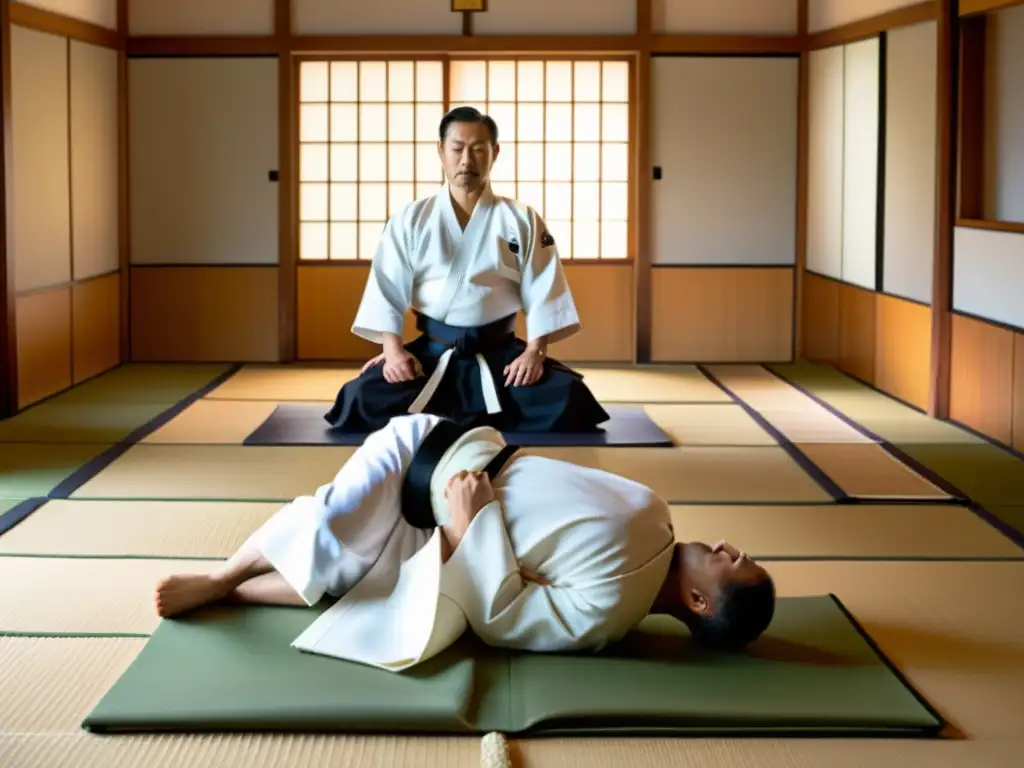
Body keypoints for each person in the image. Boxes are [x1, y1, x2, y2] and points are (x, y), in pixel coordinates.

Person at [154, 414, 776, 671]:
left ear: (699, 602)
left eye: (733, 562)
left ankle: (231, 593)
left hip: (449, 529)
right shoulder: (655, 509)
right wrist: (476, 506)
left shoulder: (609, 617)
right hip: (434, 452)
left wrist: (467, 527)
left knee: (356, 584)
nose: (726, 544)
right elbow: (544, 477)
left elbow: (506, 618)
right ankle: (224, 576)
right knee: (335, 522)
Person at [323, 106, 609, 435]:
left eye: (478, 150)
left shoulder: (521, 219)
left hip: (501, 357)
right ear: (441, 151)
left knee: (570, 397)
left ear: (494, 153)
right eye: (457, 149)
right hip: (430, 357)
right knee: (358, 398)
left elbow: (544, 287)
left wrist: (534, 352)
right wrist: (392, 352)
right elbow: (386, 287)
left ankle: (454, 413)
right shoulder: (411, 219)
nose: (466, 161)